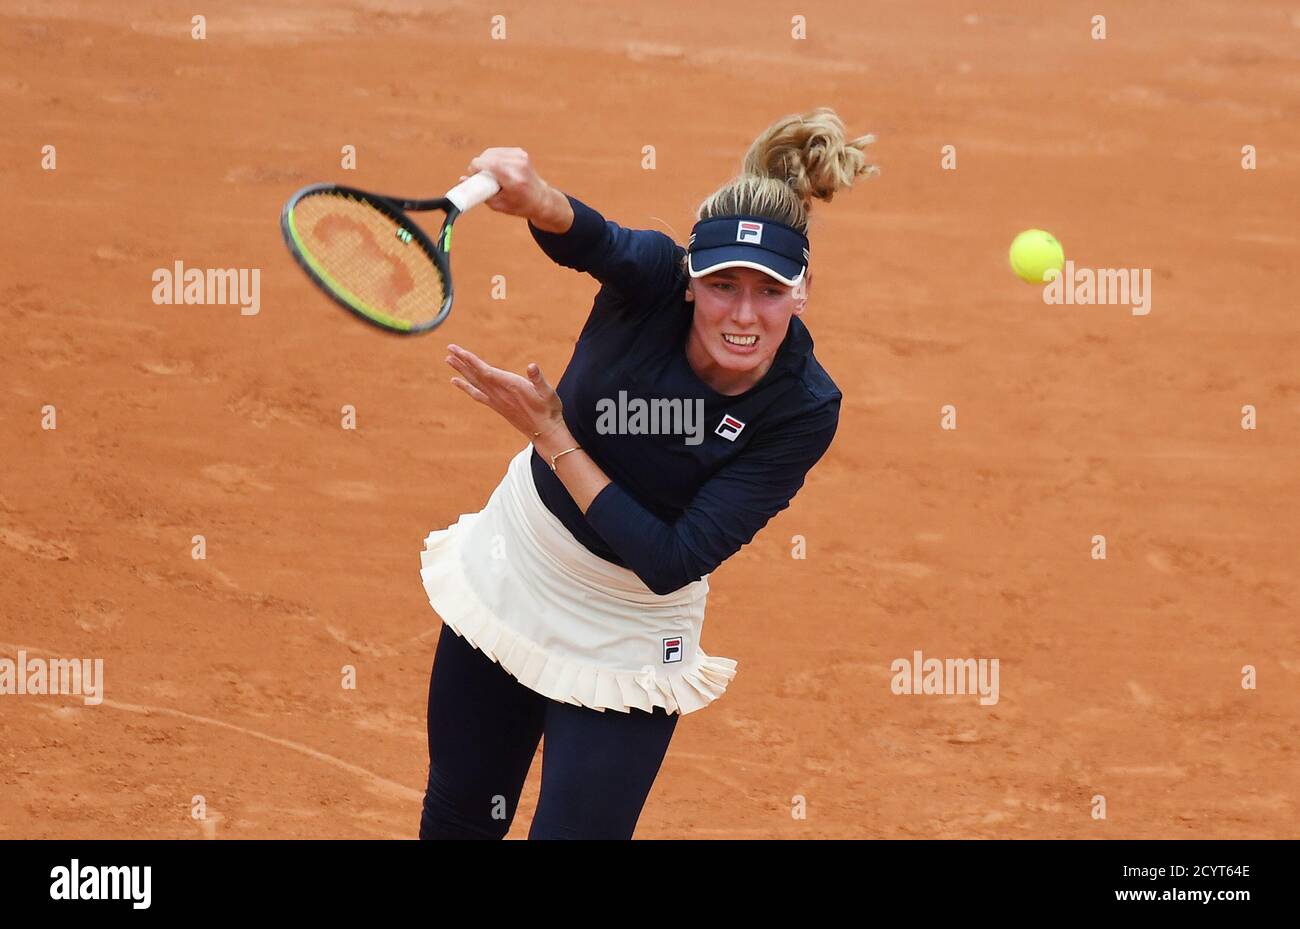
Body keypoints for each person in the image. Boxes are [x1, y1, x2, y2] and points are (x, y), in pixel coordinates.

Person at [417, 106, 877, 839]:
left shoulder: (803, 406)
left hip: (631, 626)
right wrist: (535, 197)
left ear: (804, 289)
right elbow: (591, 237)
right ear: (689, 281)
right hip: (519, 565)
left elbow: (670, 560)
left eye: (768, 290)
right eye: (723, 285)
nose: (745, 314)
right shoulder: (654, 281)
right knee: (461, 816)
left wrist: (552, 434)